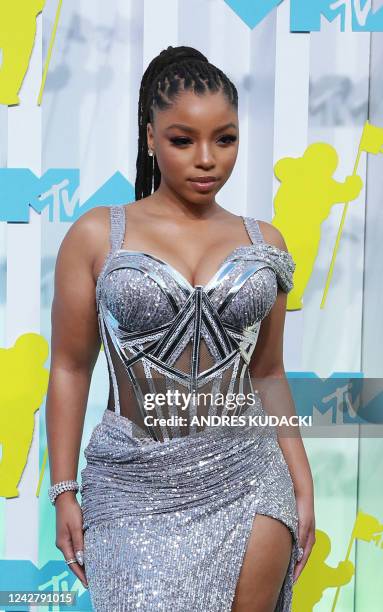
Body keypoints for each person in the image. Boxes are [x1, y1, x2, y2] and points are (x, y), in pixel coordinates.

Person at [46, 45, 315, 611]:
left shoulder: (265, 243)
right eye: (182, 139)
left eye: (225, 138)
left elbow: (267, 373)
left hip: (249, 475)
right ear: (150, 137)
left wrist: (302, 481)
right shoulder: (99, 234)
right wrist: (63, 489)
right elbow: (71, 367)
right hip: (131, 484)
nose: (206, 159)